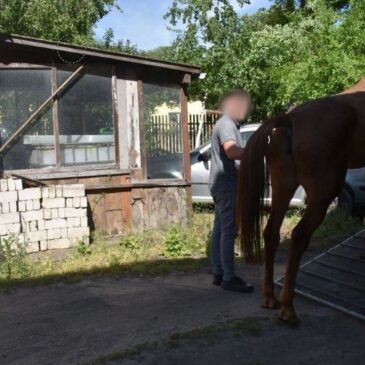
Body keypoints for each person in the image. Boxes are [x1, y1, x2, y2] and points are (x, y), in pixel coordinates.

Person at [209, 90, 254, 293]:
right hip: (227, 186)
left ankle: (219, 273)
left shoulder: (224, 123)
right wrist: (255, 152)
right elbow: (231, 151)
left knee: (219, 230)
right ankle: (228, 277)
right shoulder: (227, 124)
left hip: (221, 185)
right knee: (228, 232)